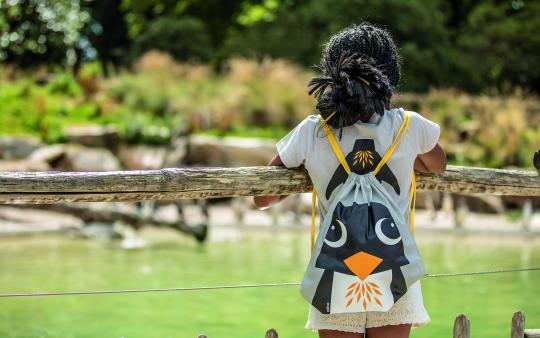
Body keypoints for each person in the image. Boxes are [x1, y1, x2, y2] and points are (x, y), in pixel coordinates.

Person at [254, 23, 447, 338]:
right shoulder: (408, 127)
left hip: (337, 269)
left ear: (331, 76)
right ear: (389, 77)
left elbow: (262, 197)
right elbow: (437, 165)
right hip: (393, 264)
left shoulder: (312, 131)